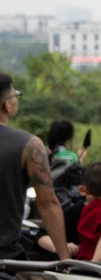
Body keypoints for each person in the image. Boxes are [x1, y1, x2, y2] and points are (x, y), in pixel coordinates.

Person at [0, 72, 70, 261]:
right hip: (5, 258)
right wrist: (65, 259)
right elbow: (48, 203)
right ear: (7, 104)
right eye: (16, 95)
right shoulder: (29, 145)